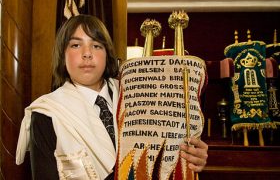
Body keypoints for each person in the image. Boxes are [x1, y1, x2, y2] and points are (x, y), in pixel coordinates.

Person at [16, 14, 208, 180]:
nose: (87, 54)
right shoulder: (46, 114)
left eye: (97, 45)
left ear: (107, 54)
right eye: (75, 45)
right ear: (62, 54)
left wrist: (192, 157)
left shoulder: (137, 95)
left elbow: (168, 155)